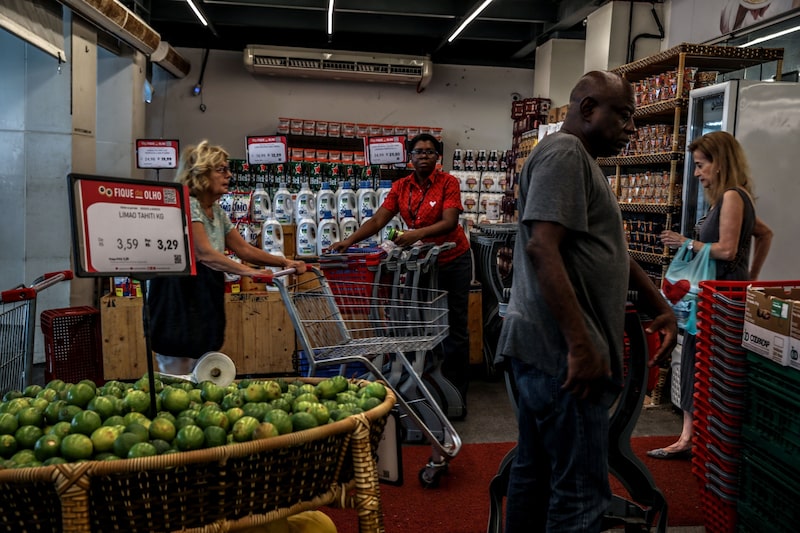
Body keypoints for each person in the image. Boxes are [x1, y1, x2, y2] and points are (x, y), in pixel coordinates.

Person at [496, 71, 678, 533]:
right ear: (589, 109)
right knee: (579, 498)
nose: (632, 128)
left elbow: (605, 243)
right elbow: (542, 246)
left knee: (534, 477)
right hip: (563, 358)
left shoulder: (577, 159)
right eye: (624, 115)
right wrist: (580, 344)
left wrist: (657, 300)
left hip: (550, 354)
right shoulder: (563, 154)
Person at [647, 130, 772, 460]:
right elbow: (764, 233)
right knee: (695, 360)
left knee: (702, 363)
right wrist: (752, 278)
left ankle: (692, 439)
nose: (697, 173)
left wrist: (684, 242)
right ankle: (691, 437)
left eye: (701, 165)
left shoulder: (732, 196)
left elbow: (727, 250)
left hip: (718, 299)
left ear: (719, 164)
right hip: (718, 295)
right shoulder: (734, 197)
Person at [330, 133, 472, 410]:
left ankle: (456, 394)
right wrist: (348, 241)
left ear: (437, 157)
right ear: (410, 157)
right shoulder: (401, 187)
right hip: (422, 265)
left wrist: (414, 234)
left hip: (454, 260)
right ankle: (427, 386)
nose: (424, 156)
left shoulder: (448, 183)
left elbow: (449, 222)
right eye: (418, 152)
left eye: (430, 152)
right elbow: (378, 219)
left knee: (456, 327)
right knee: (421, 326)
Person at [148, 140, 306, 374]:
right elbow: (204, 253)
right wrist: (249, 271)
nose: (229, 175)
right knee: (178, 372)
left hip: (203, 294)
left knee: (201, 365)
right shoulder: (188, 205)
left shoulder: (216, 211)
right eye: (221, 169)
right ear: (201, 173)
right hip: (179, 297)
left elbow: (244, 249)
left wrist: (283, 262)